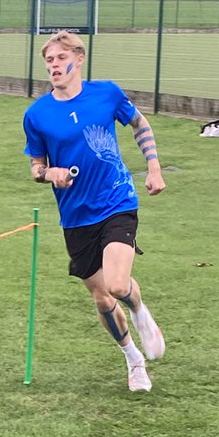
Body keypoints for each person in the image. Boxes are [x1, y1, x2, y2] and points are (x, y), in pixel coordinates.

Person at [23, 30, 166, 394]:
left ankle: (139, 310)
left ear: (78, 58)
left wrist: (153, 168)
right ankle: (133, 359)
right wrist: (48, 174)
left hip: (117, 200)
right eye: (49, 60)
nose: (54, 65)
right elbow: (35, 167)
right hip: (75, 216)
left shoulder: (107, 93)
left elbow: (139, 124)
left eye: (59, 58)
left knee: (118, 285)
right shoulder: (37, 115)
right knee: (102, 297)